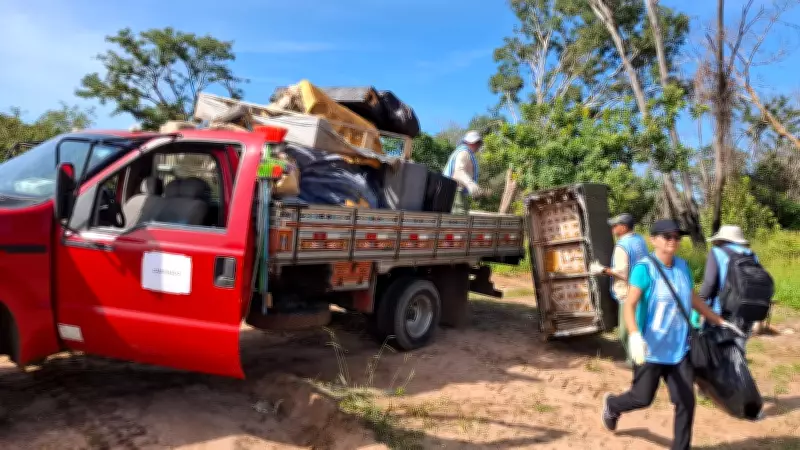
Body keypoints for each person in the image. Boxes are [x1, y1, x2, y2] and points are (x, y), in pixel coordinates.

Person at [600, 219, 743, 450]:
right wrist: (635, 335)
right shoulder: (644, 269)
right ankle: (613, 405)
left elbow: (691, 297)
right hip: (650, 348)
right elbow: (630, 305)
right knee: (642, 398)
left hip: (679, 349)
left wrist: (718, 320)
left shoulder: (682, 266)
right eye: (668, 236)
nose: (673, 241)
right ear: (653, 239)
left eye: (677, 237)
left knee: (686, 402)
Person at [589, 213, 649, 367]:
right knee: (638, 325)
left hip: (628, 292)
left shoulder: (622, 246)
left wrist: (601, 270)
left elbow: (622, 272)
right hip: (643, 288)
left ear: (623, 227)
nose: (612, 228)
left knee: (625, 331)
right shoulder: (639, 240)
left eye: (615, 226)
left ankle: (634, 361)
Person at [699, 225, 761, 345]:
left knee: (714, 355)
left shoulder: (717, 252)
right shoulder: (751, 255)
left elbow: (709, 283)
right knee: (737, 353)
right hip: (745, 314)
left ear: (720, 239)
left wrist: (698, 304)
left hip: (720, 313)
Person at [442, 130, 487, 214]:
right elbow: (458, 171)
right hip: (455, 194)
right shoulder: (464, 152)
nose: (478, 146)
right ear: (471, 142)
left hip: (454, 192)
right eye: (477, 143)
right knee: (460, 220)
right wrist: (471, 185)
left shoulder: (463, 152)